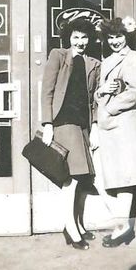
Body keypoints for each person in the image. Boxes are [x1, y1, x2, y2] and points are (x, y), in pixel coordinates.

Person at [95, 17, 136, 247]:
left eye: (118, 36)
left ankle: (122, 230)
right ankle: (122, 227)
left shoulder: (132, 58)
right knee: (113, 178)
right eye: (110, 37)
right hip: (110, 125)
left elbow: (134, 92)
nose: (114, 41)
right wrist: (101, 91)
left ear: (126, 36)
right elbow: (102, 92)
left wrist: (108, 108)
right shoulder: (108, 59)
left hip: (123, 125)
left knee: (125, 178)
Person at [41, 18, 100, 250]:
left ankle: (76, 223)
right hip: (63, 123)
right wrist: (47, 123)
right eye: (76, 37)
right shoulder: (58, 55)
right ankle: (71, 228)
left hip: (82, 126)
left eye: (84, 37)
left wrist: (94, 127)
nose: (80, 41)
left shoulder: (93, 63)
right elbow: (47, 91)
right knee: (72, 178)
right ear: (69, 37)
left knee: (82, 178)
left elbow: (94, 100)